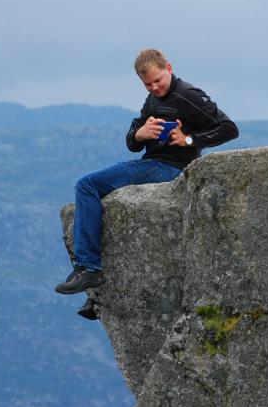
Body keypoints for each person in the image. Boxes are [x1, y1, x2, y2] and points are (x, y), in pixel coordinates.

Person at [55, 49, 238, 296]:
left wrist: (188, 140)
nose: (153, 87)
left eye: (157, 80)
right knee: (102, 199)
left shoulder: (187, 95)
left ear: (169, 69)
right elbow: (133, 141)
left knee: (87, 185)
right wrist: (140, 134)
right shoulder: (154, 98)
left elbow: (228, 128)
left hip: (169, 167)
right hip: (153, 162)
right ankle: (98, 296)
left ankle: (88, 268)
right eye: (147, 84)